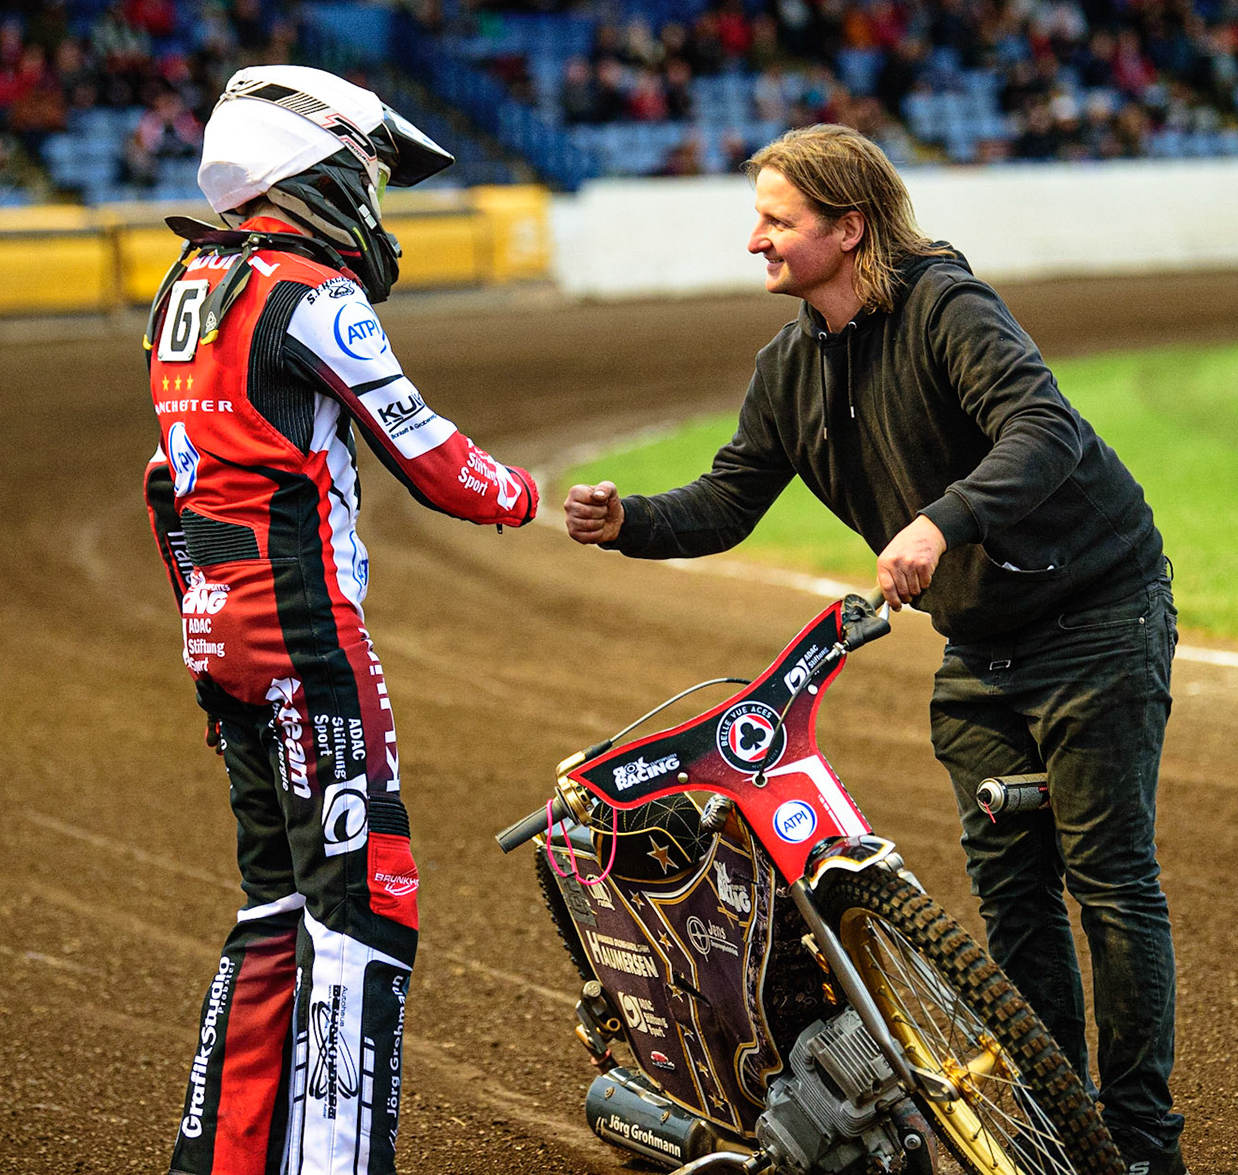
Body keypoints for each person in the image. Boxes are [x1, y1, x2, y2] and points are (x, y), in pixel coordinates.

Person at [563, 123, 1185, 1175]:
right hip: (983, 645)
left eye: (776, 219)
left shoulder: (946, 305)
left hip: (1096, 614)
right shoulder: (788, 367)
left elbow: (1045, 428)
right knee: (1012, 898)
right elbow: (727, 498)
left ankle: (1140, 1145)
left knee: (1110, 881)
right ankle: (1055, 1132)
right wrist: (631, 521)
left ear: (848, 229)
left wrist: (942, 521)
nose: (753, 239)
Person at [143, 65, 539, 1175]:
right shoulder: (312, 294)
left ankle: (215, 1162)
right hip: (304, 632)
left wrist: (207, 626)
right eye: (368, 174)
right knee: (367, 909)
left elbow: (166, 484)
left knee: (275, 907)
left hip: (220, 629)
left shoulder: (190, 283)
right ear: (314, 166)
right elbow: (432, 460)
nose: (375, 201)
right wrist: (525, 493)